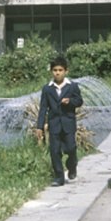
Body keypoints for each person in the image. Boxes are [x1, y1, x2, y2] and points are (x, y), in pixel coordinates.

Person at [36, 57, 83, 186]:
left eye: (60, 70)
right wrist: (39, 126)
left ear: (66, 71)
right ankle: (59, 177)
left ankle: (71, 165)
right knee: (55, 150)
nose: (57, 73)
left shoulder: (72, 86)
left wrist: (70, 102)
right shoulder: (47, 89)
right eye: (55, 70)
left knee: (71, 148)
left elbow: (79, 101)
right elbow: (43, 108)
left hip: (68, 123)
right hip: (54, 123)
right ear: (51, 72)